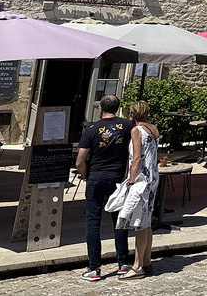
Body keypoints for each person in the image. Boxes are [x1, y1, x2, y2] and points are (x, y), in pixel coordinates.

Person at [76, 94, 134, 281]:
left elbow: (80, 160)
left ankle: (94, 268)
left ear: (100, 109)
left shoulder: (91, 128)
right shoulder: (127, 126)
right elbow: (133, 153)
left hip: (96, 178)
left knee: (93, 223)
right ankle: (123, 264)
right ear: (117, 108)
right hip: (116, 179)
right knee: (119, 222)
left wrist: (86, 176)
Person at [117, 100, 160, 279]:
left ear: (132, 114)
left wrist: (131, 180)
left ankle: (137, 266)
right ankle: (147, 261)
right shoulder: (154, 129)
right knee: (147, 220)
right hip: (153, 177)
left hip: (142, 179)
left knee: (139, 223)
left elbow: (136, 158)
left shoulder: (136, 130)